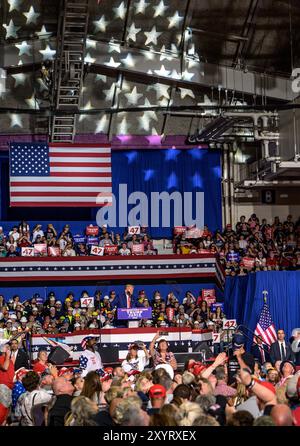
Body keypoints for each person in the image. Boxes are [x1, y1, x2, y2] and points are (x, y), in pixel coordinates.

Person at [0, 344, 14, 425]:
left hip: (10, 386)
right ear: (3, 350)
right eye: (8, 348)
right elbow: (5, 367)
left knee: (7, 412)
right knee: (3, 410)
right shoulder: (1, 358)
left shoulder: (9, 360)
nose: (10, 349)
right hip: (3, 386)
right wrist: (7, 356)